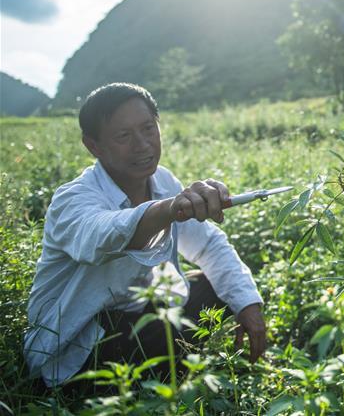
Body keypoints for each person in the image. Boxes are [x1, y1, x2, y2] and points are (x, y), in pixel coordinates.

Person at [24, 83, 266, 388]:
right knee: (154, 330)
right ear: (93, 146)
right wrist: (169, 209)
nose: (142, 145)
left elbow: (208, 244)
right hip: (80, 344)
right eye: (123, 136)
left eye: (148, 128)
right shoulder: (73, 199)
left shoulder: (162, 181)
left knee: (216, 286)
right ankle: (152, 385)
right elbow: (102, 234)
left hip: (137, 315)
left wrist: (248, 305)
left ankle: (168, 376)